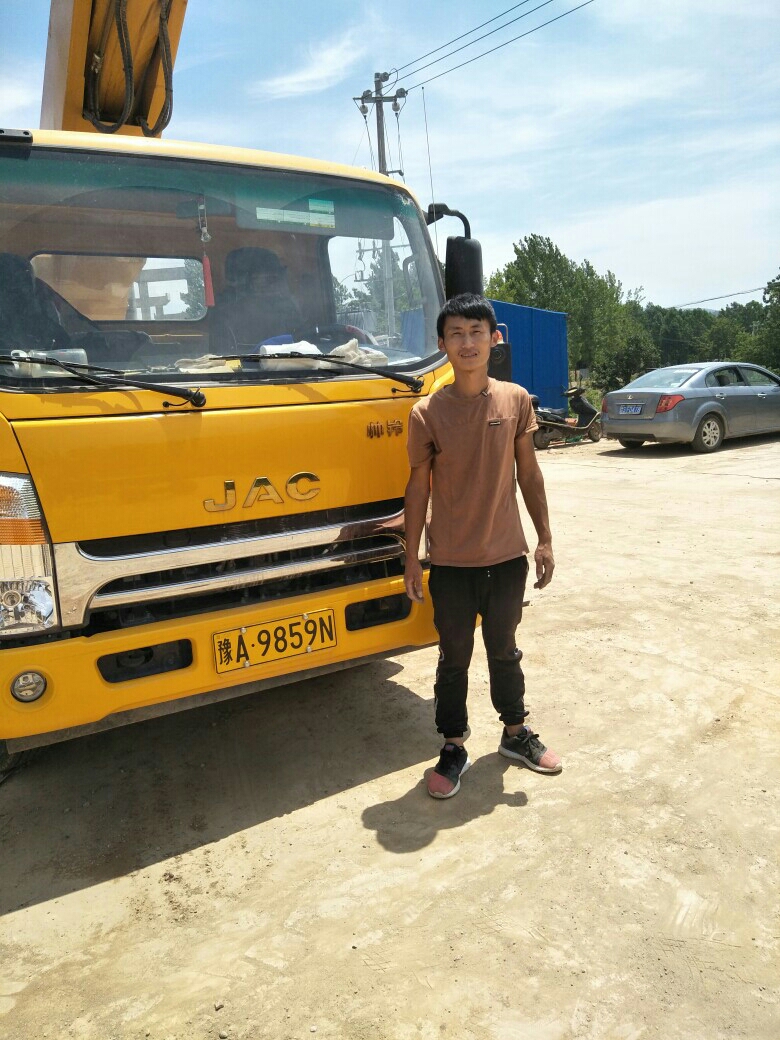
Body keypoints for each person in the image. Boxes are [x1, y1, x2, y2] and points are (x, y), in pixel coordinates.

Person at [404, 293, 562, 799]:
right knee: (453, 657)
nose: (467, 342)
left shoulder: (515, 400)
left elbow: (529, 473)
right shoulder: (427, 412)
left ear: (495, 339)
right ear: (442, 344)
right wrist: (411, 557)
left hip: (506, 557)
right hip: (451, 562)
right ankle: (453, 746)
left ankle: (515, 733)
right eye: (456, 333)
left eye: (477, 331)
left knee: (504, 650)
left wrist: (544, 538)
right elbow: (418, 489)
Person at [210, 246, 303, 351]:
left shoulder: (288, 308)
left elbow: (302, 345)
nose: (274, 285)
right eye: (268, 279)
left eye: (275, 278)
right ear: (249, 281)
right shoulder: (227, 313)